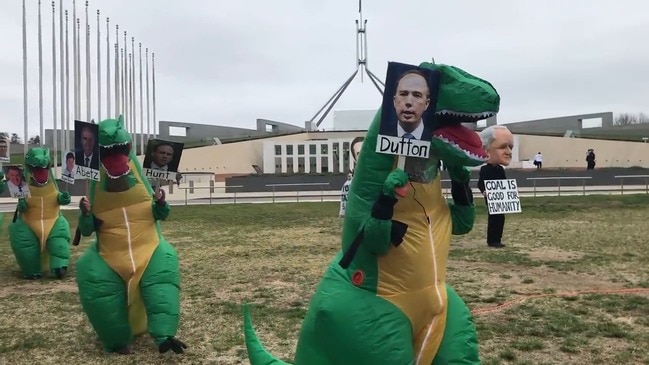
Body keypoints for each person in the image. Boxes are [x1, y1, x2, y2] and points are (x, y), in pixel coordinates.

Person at [478, 125, 513, 248]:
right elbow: (480, 183)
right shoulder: (485, 169)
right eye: (503, 147)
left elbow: (504, 183)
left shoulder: (500, 170)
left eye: (510, 147)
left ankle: (498, 238)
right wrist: (484, 192)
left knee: (500, 218)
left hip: (500, 198)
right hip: (492, 197)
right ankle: (492, 240)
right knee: (493, 218)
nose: (509, 151)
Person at [393, 69, 430, 140]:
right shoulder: (376, 138)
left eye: (417, 95)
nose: (408, 102)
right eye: (403, 94)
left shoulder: (437, 141)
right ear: (394, 101)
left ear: (426, 104)